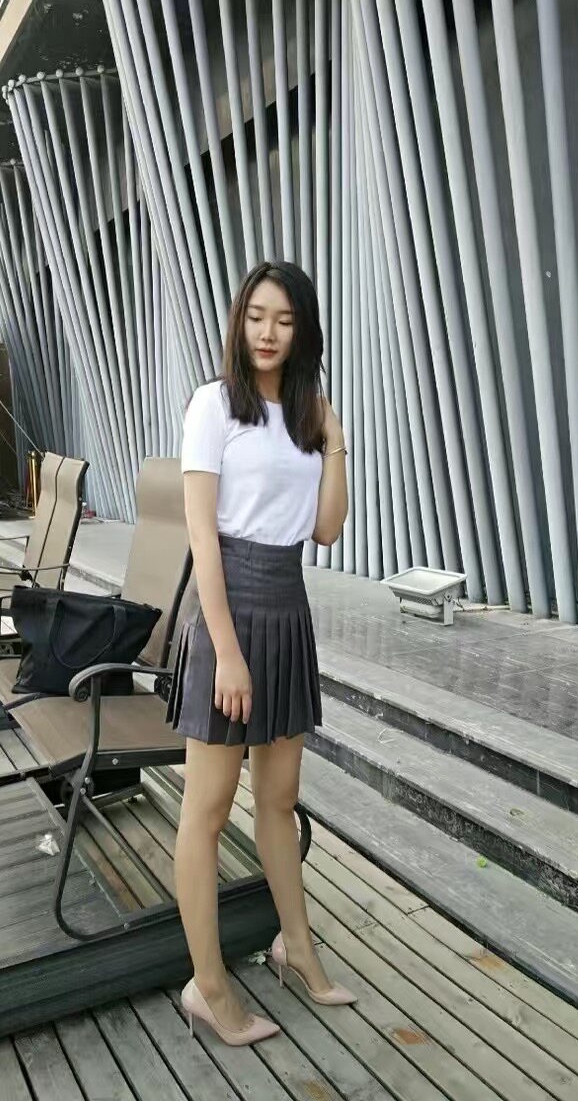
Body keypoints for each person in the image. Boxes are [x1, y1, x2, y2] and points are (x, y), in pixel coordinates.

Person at [168, 260, 356, 1046]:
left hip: (287, 609)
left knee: (279, 799)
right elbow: (203, 539)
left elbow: (327, 529)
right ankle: (207, 985)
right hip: (229, 615)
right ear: (239, 322)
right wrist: (227, 650)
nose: (268, 332)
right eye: (256, 317)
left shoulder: (310, 415)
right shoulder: (213, 406)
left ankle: (296, 947)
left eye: (283, 319)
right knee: (208, 810)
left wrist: (336, 442)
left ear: (302, 329)